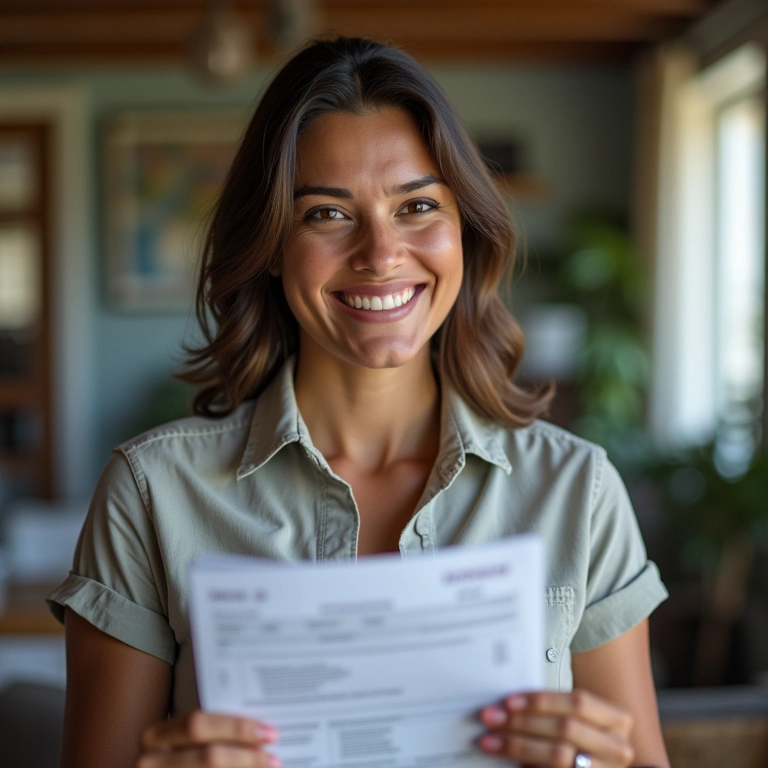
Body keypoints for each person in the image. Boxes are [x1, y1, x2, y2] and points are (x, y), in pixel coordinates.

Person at [49, 36, 670, 768]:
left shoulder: (578, 490)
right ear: (274, 243)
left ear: (463, 230)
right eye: (326, 215)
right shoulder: (153, 494)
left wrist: (590, 763)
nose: (380, 252)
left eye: (416, 206)